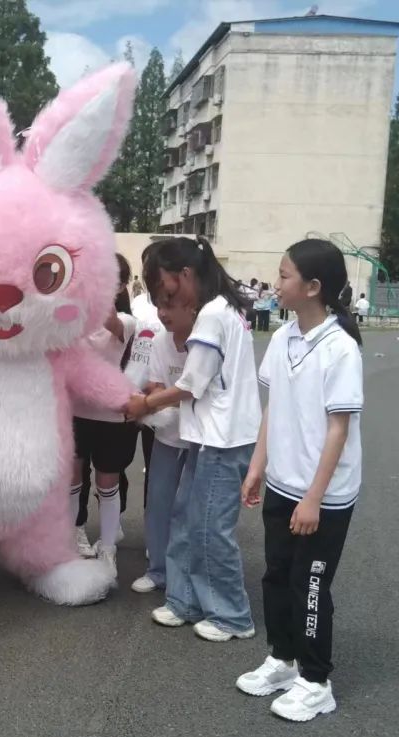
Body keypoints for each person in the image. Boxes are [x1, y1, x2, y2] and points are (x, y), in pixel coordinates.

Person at [238, 238, 363, 723]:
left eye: (286, 274)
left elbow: (339, 428)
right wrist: (256, 468)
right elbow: (275, 409)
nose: (277, 281)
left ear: (313, 287)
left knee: (310, 587)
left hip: (322, 498)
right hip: (282, 485)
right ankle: (282, 658)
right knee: (276, 576)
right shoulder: (285, 337)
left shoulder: (340, 348)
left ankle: (316, 680)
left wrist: (314, 498)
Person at [126, 236, 260, 642]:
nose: (163, 301)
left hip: (224, 438)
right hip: (208, 436)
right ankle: (185, 601)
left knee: (209, 528)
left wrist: (145, 404)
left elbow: (191, 384)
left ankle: (232, 615)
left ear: (185, 275)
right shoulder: (222, 310)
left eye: (165, 289)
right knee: (186, 518)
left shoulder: (215, 315)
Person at [71, 254, 142, 574]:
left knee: (106, 484)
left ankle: (109, 547)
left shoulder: (126, 322)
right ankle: (73, 537)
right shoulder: (73, 318)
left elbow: (109, 320)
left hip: (111, 417)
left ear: (121, 287)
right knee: (73, 481)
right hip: (74, 412)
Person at [129, 296, 195, 596]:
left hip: (201, 439)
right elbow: (156, 385)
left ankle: (189, 575)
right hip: (167, 436)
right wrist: (158, 397)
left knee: (191, 510)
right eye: (160, 308)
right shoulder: (159, 342)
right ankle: (157, 571)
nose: (163, 314)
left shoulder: (203, 343)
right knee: (158, 503)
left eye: (171, 306)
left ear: (191, 306)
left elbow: (191, 388)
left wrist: (152, 401)